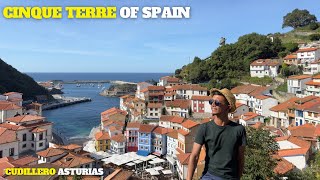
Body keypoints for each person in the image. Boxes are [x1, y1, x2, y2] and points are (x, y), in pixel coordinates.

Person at [187, 88, 247, 180]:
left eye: (217, 102)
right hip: (209, 175)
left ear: (228, 107)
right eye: (211, 102)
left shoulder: (239, 130)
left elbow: (240, 158)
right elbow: (194, 156)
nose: (213, 105)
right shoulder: (204, 128)